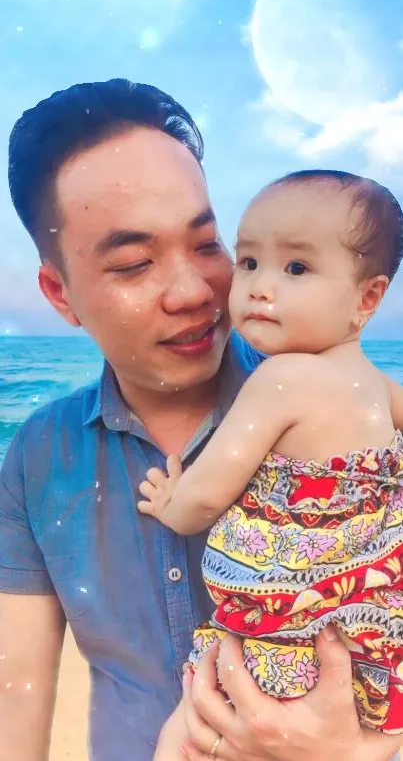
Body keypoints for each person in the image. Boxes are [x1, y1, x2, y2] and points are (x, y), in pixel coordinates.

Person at [0, 79, 400, 761]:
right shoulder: (38, 455)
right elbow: (17, 692)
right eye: (133, 263)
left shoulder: (334, 415)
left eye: (208, 245)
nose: (194, 293)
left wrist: (365, 750)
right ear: (59, 294)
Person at [138, 170, 403, 760]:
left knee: (178, 739)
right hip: (368, 648)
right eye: (249, 261)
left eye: (297, 269)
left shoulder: (283, 378)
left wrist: (170, 504)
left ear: (367, 298)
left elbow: (208, 493)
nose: (259, 287)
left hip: (280, 640)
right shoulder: (378, 387)